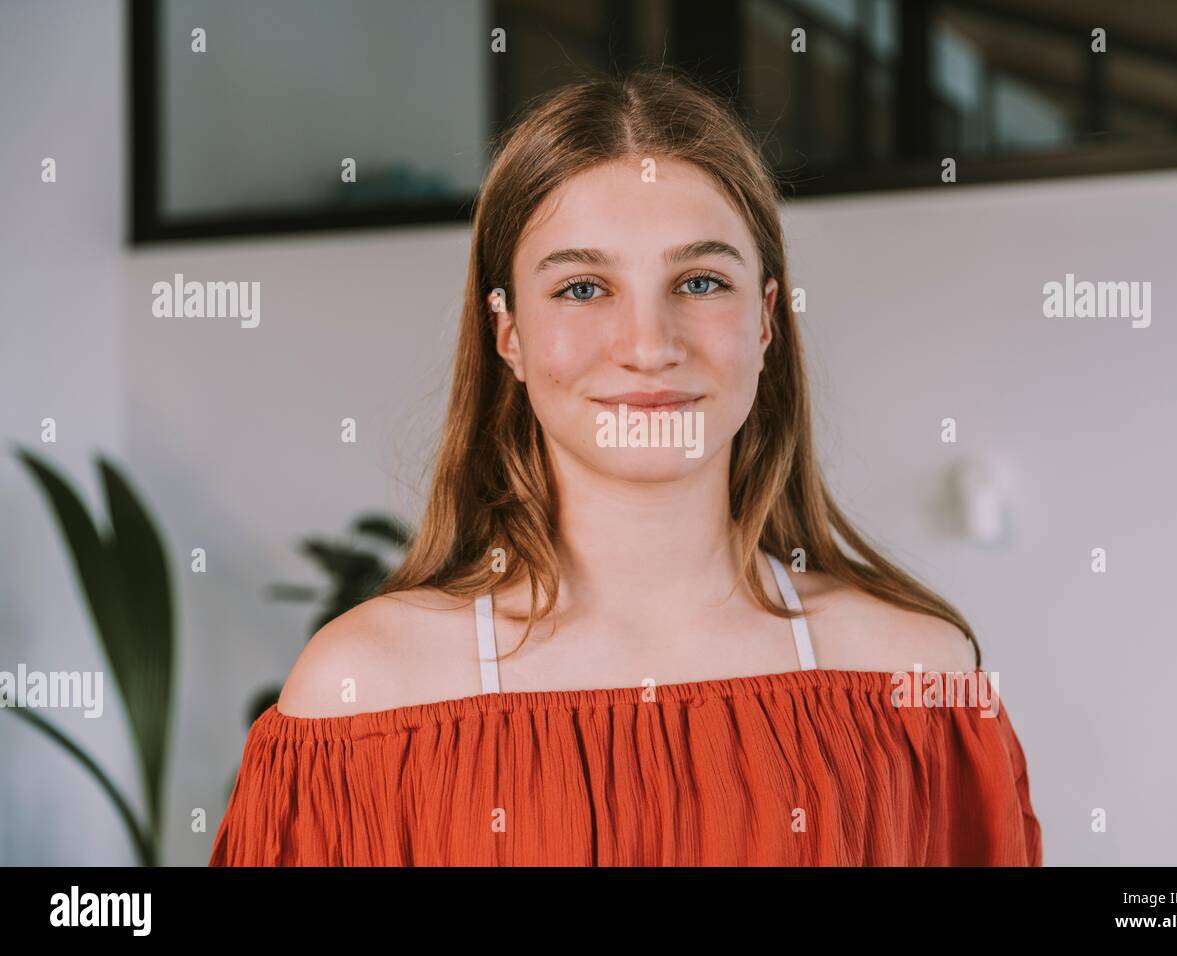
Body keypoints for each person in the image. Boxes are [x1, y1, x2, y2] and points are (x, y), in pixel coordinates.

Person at [208, 68, 1042, 866]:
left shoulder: (915, 680)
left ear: (764, 323)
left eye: (702, 280)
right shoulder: (364, 693)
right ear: (509, 336)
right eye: (581, 289)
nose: (649, 346)